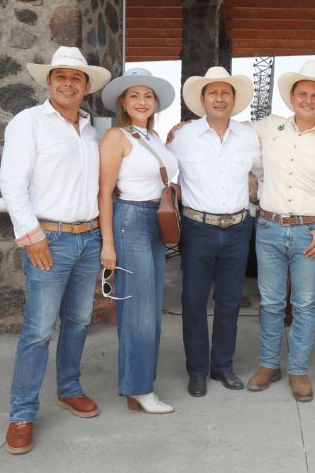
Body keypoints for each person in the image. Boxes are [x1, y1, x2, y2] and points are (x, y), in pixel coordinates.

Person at [0, 46, 111, 454]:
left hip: (87, 237)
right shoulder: (28, 123)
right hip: (50, 238)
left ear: (86, 87)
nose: (68, 83)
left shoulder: (91, 129)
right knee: (38, 331)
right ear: (49, 82)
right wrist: (32, 236)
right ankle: (22, 414)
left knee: (79, 320)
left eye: (76, 78)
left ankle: (68, 388)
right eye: (60, 76)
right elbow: (12, 183)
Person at [246, 60, 315, 402]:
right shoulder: (266, 128)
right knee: (271, 301)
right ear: (292, 97)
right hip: (269, 226)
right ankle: (268, 364)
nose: (308, 100)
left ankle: (297, 370)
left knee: (305, 303)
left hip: (312, 232)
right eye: (302, 94)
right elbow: (231, 140)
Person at [167, 66, 261, 397]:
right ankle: (196, 370)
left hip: (237, 229)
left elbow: (264, 173)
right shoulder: (183, 136)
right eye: (212, 93)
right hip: (198, 228)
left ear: (234, 100)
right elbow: (162, 174)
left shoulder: (249, 136)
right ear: (202, 99)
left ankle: (222, 366)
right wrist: (174, 193)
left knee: (230, 302)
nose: (219, 98)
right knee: (193, 301)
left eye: (225, 93)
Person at [98, 67, 178, 414]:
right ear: (123, 103)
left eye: (147, 96)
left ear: (155, 102)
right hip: (129, 219)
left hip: (155, 221)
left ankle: (139, 385)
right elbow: (103, 194)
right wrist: (108, 243)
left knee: (151, 308)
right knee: (137, 311)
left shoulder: (155, 137)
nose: (142, 102)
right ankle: (138, 387)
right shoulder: (117, 137)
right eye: (134, 96)